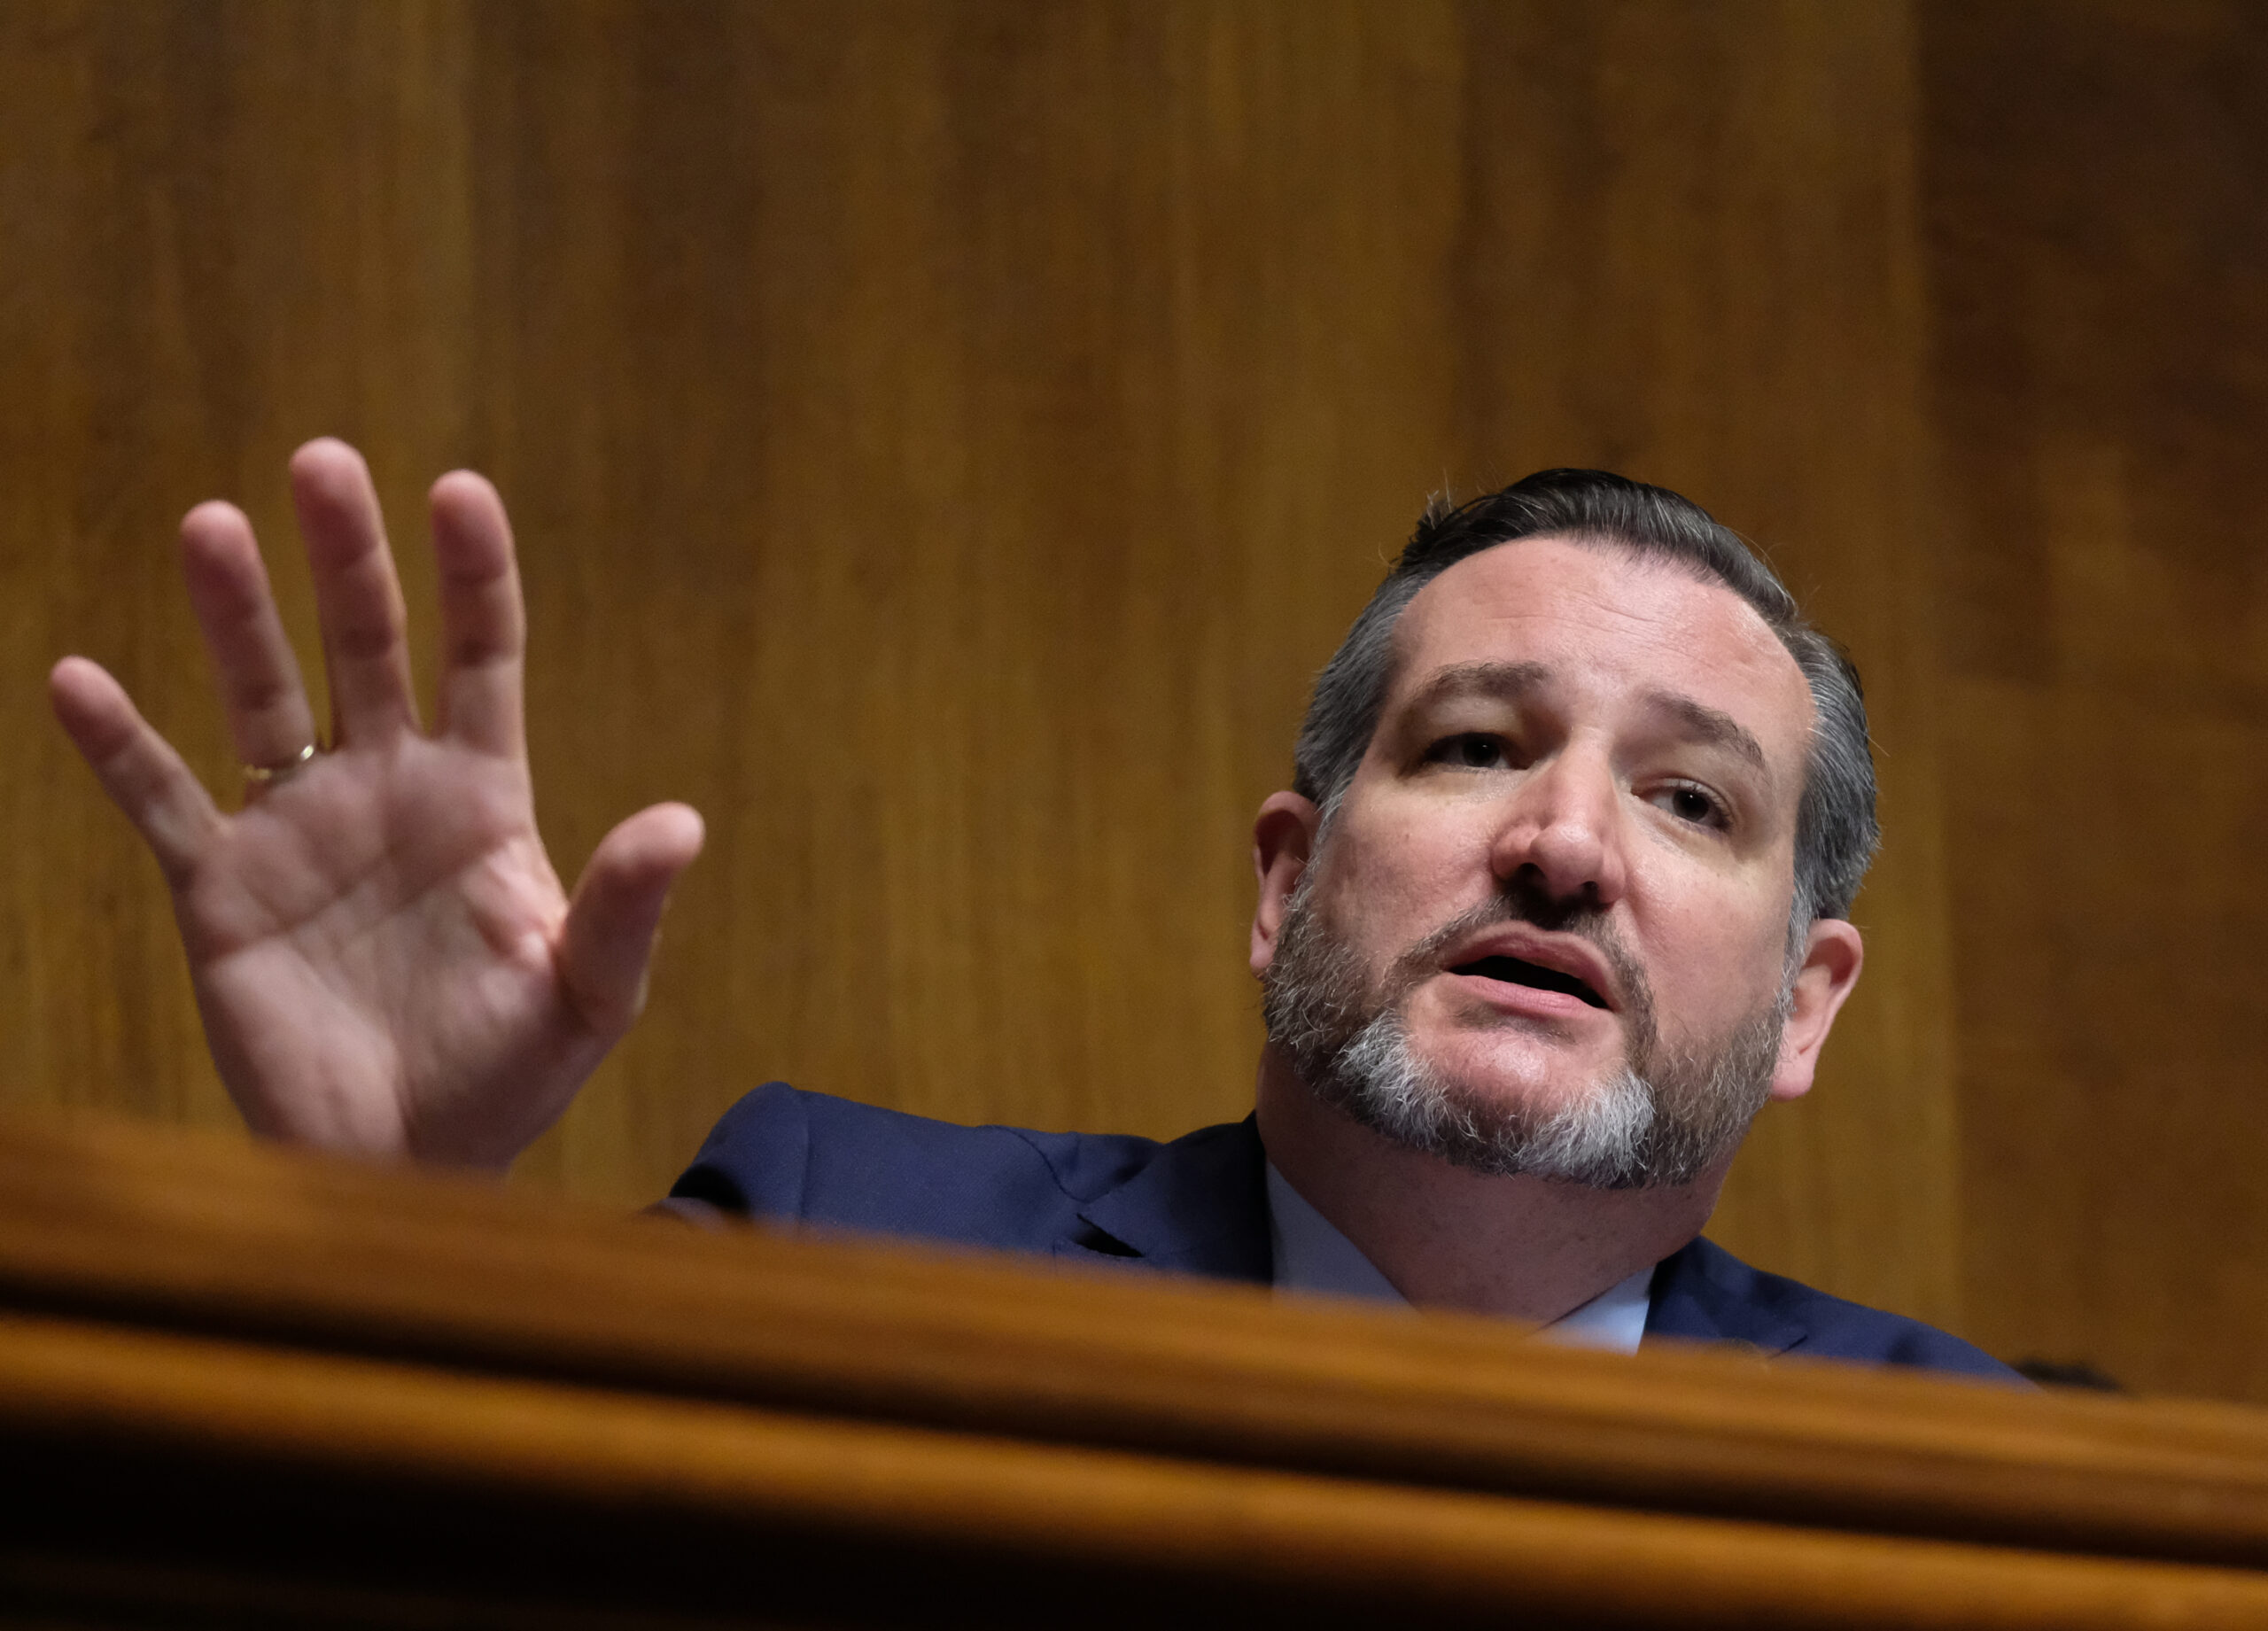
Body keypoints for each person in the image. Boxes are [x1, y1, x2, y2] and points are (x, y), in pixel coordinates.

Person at [49, 439, 2014, 1379]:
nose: (1563, 844)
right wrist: (390, 1226)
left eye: (1685, 800)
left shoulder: (1982, 1481)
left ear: (1803, 1008)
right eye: (1475, 745)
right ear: (1282, 885)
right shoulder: (844, 1242)